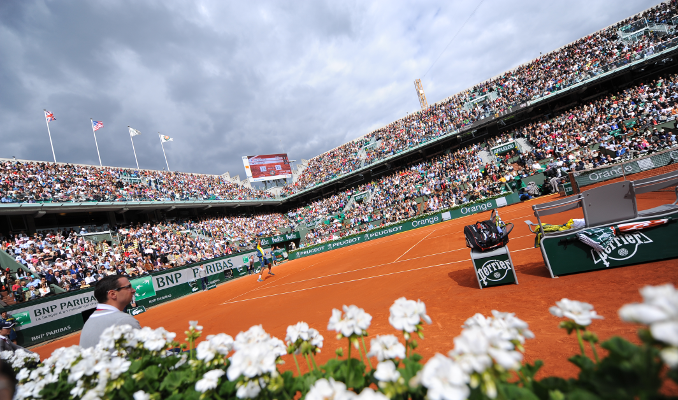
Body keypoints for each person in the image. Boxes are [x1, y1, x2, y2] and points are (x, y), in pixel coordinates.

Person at [79, 275, 140, 349]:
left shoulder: (88, 322)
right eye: (128, 287)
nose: (133, 290)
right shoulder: (124, 320)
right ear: (113, 294)